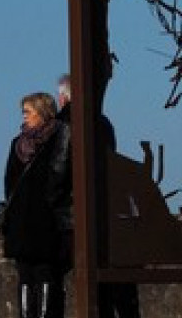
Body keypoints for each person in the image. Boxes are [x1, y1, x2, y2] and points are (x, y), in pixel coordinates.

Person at [56, 74, 141, 318]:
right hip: (107, 213)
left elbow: (58, 173)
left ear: (63, 97)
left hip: (72, 218)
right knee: (118, 289)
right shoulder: (102, 123)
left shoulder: (60, 124)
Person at [2, 92, 72, 318]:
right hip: (21, 222)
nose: (24, 117)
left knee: (45, 275)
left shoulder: (59, 136)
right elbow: (10, 182)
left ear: (42, 113)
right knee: (25, 276)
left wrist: (50, 205)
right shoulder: (18, 144)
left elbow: (58, 176)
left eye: (28, 112)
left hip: (46, 221)